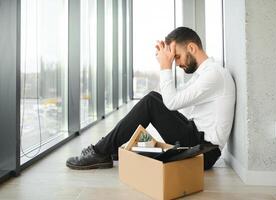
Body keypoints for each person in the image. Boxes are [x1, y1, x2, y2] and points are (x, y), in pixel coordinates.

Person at [66, 27, 235, 170]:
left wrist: (165, 67)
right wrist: (164, 64)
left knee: (150, 102)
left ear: (191, 48)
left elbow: (171, 102)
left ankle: (99, 151)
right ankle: (109, 149)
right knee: (152, 99)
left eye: (176, 56)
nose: (176, 63)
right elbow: (166, 97)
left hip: (204, 151)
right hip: (196, 139)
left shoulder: (213, 74)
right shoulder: (206, 74)